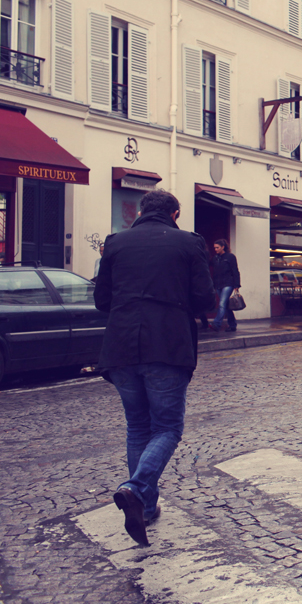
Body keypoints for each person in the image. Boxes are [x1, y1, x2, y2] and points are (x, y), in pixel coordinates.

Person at [93, 189, 214, 546]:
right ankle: (136, 488)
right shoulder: (189, 243)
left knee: (138, 426)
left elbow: (102, 301)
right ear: (175, 214)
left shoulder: (115, 243)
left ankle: (144, 508)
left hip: (121, 345)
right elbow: (205, 299)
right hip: (167, 344)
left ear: (141, 211)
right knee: (167, 428)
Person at [207, 239, 240, 332]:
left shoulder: (230, 257)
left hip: (228, 283)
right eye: (214, 248)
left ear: (223, 247)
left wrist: (237, 284)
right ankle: (232, 324)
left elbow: (235, 270)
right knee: (225, 305)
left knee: (221, 303)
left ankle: (217, 324)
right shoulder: (215, 258)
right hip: (218, 284)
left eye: (217, 247)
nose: (215, 249)